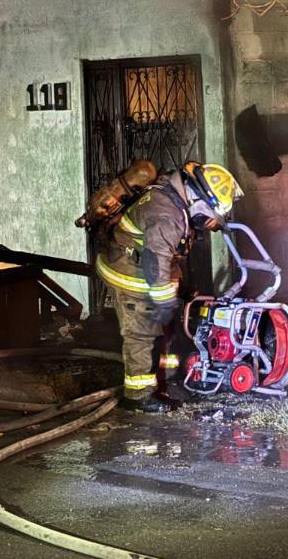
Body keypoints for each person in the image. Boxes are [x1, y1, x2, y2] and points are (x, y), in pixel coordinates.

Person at [96, 162, 243, 413]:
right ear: (198, 200)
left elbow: (166, 256)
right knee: (142, 332)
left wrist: (180, 291)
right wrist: (164, 301)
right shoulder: (167, 216)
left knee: (164, 326)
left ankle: (164, 376)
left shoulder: (176, 198)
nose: (211, 220)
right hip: (128, 272)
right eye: (211, 212)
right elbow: (156, 262)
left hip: (144, 264)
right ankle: (138, 396)